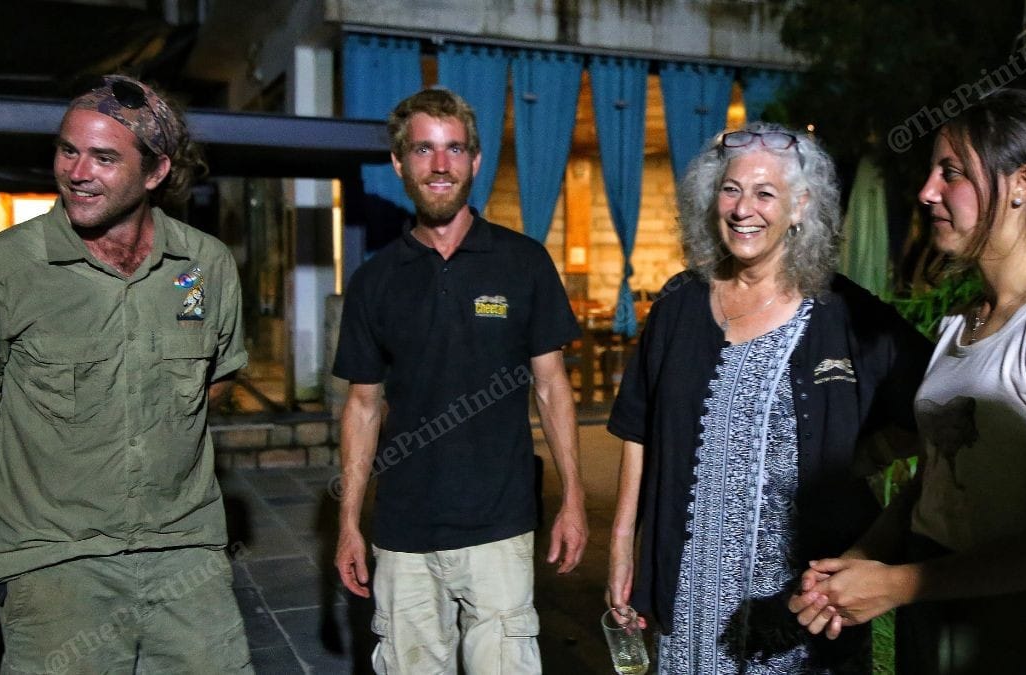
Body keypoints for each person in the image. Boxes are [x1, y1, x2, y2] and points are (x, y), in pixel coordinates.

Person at [789, 89, 1026, 674]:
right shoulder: (964, 324)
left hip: (1017, 633)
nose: (926, 192)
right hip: (939, 614)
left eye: (952, 173)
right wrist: (858, 564)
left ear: (1023, 183)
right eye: (932, 172)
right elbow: (942, 481)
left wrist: (901, 586)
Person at [605, 121, 931, 673]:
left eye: (764, 193)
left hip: (797, 611)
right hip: (689, 604)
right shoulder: (679, 306)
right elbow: (639, 427)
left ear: (800, 207)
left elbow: (937, 399)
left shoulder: (843, 313)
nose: (742, 209)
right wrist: (620, 541)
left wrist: (865, 458)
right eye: (731, 189)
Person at [0, 74, 252, 671]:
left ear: (155, 173)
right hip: (54, 557)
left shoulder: (204, 267)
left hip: (184, 548)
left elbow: (212, 385)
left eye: (103, 157)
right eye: (67, 150)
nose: (76, 171)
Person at [333, 87, 588, 673]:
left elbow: (551, 386)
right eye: (424, 150)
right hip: (402, 535)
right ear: (400, 165)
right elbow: (363, 406)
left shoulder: (523, 262)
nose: (440, 165)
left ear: (476, 160)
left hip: (499, 529)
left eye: (455, 149)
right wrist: (349, 523)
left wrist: (574, 498)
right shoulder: (375, 282)